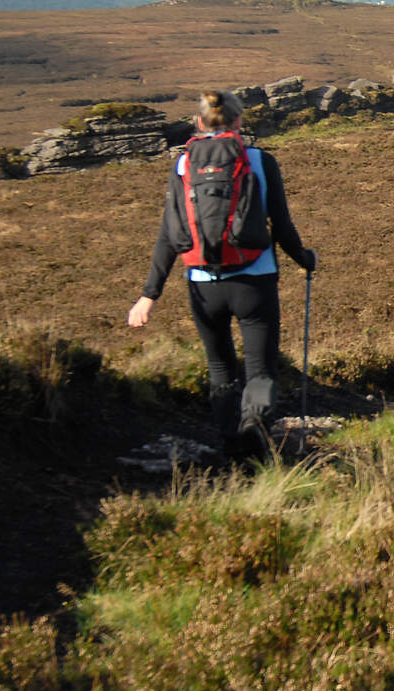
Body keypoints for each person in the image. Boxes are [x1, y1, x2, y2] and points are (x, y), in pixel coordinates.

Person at [127, 89, 317, 460]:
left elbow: (169, 233)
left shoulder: (183, 165)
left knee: (219, 368)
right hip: (254, 282)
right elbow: (281, 225)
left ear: (199, 123)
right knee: (260, 371)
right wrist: (304, 259)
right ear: (239, 122)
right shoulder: (261, 161)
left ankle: (232, 448)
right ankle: (253, 429)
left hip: (202, 286)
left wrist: (149, 295)